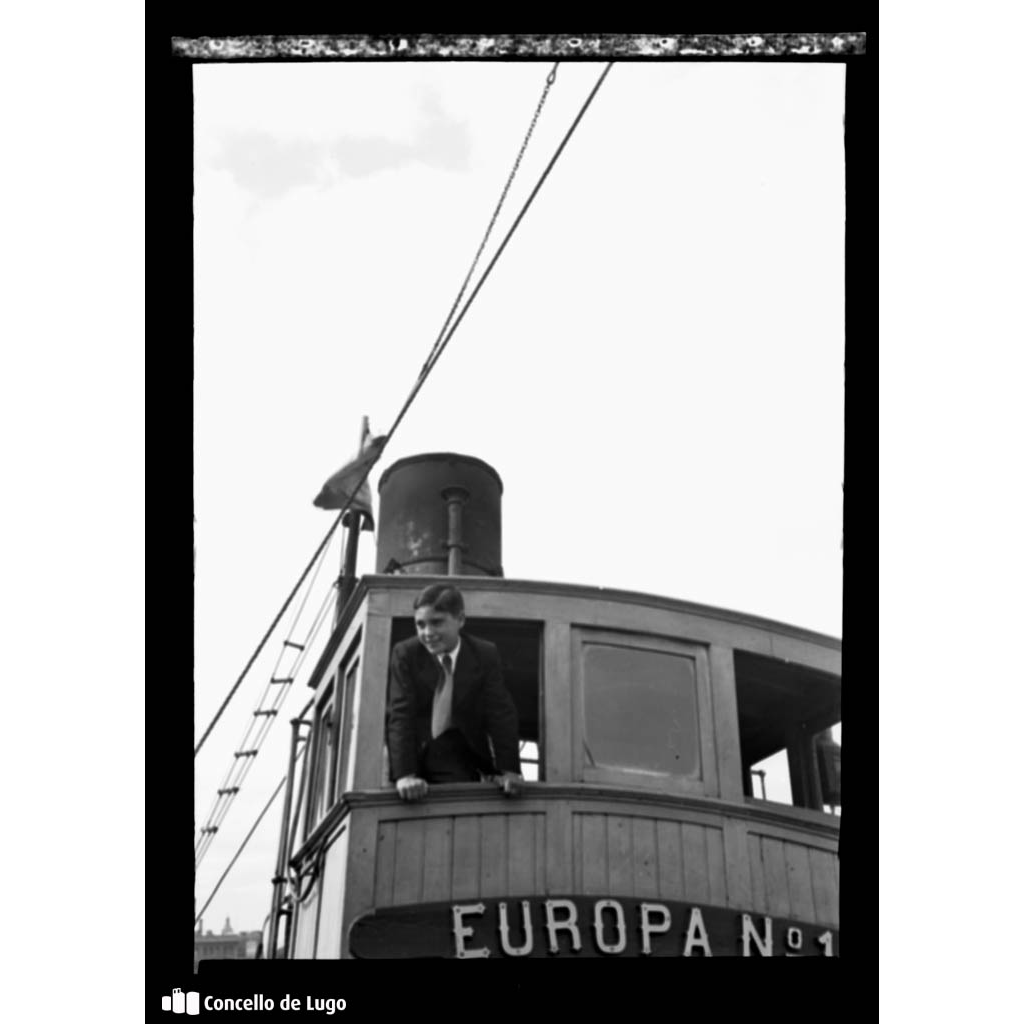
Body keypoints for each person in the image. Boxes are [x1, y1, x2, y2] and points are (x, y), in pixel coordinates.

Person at [386, 583, 522, 803]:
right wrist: (404, 775)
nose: (427, 633)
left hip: (458, 754)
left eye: (436, 622)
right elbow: (400, 714)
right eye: (420, 625)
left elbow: (500, 713)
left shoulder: (485, 654)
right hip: (412, 750)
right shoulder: (405, 654)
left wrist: (509, 770)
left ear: (461, 619)